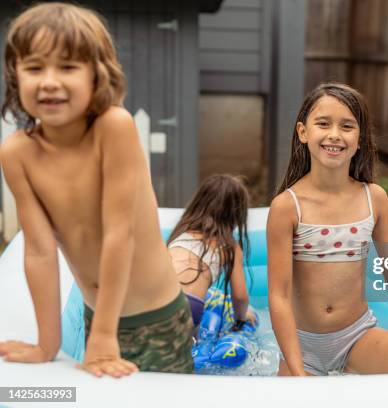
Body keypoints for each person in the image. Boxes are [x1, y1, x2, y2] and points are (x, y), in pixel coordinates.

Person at [0, 3, 192, 377]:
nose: (49, 81)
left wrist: (104, 335)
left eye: (68, 67)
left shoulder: (112, 127)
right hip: (97, 313)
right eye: (35, 67)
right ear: (15, 75)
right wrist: (46, 344)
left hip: (157, 318)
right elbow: (39, 250)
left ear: (96, 76)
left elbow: (121, 234)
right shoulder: (17, 152)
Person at [267, 82, 388, 376]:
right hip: (302, 345)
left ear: (359, 139)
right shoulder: (287, 207)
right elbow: (278, 295)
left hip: (356, 337)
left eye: (346, 126)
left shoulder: (374, 198)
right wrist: (297, 370)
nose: (334, 135)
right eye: (323, 124)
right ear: (303, 132)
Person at [167, 174, 256, 330]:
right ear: (236, 214)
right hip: (188, 307)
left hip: (156, 298)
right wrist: (242, 317)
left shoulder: (181, 232)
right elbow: (241, 296)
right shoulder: (230, 246)